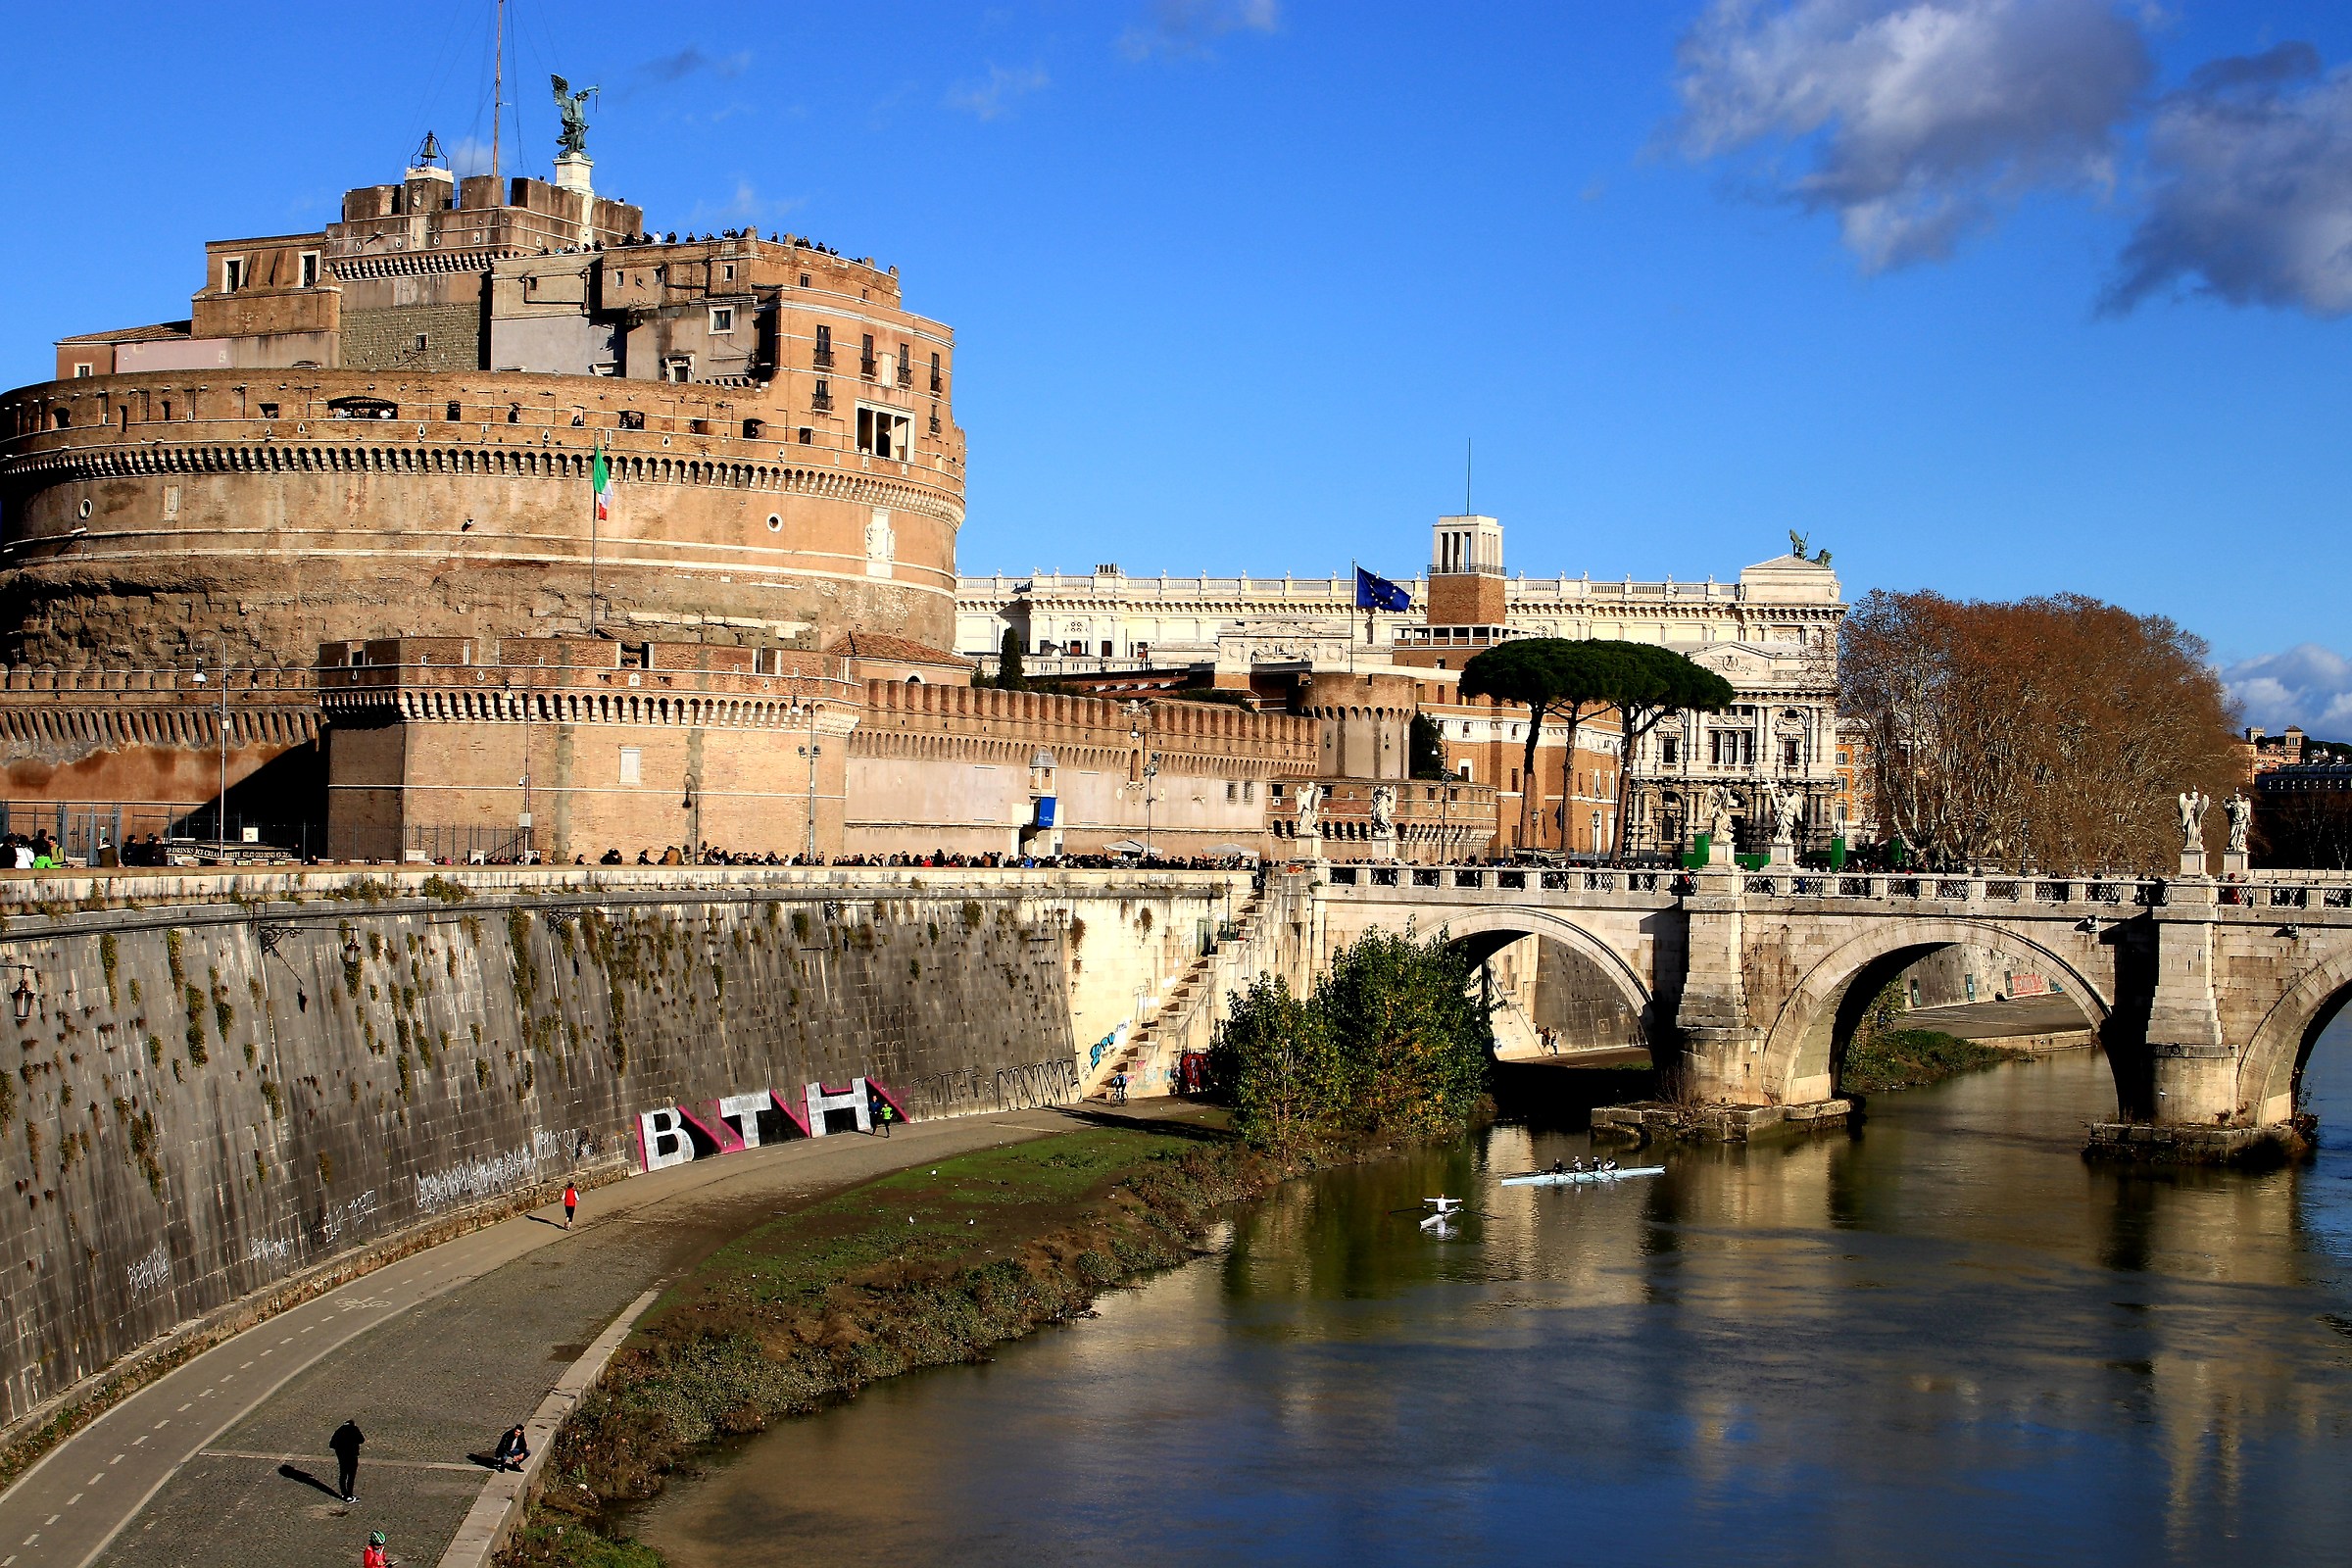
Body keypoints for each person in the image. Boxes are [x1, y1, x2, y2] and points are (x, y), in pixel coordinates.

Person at [330, 1418, 366, 1503]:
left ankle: (344, 1494)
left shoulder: (339, 1430)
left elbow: (332, 1444)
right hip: (352, 1455)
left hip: (342, 1457)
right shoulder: (354, 1429)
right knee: (351, 1476)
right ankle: (350, 1495)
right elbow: (361, 1440)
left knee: (343, 1474)